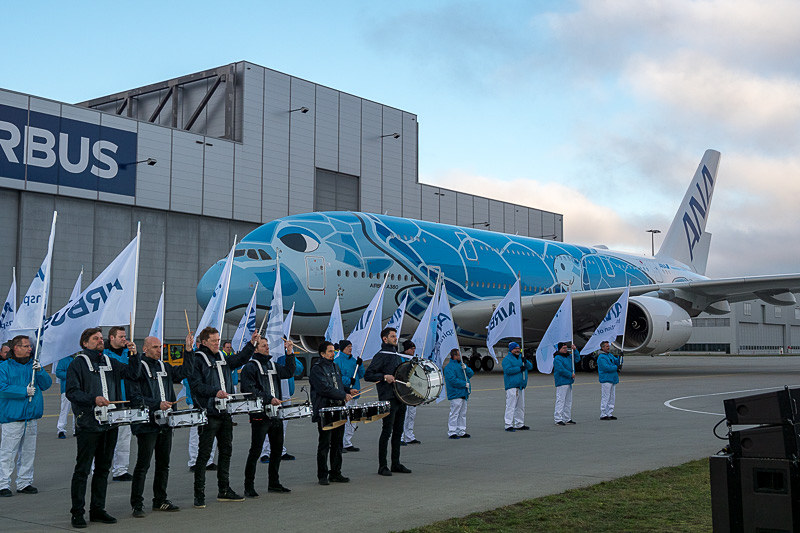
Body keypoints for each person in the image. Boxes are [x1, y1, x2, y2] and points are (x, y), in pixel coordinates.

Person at [67, 327, 141, 528]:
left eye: (101, 338)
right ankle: (77, 512)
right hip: (89, 424)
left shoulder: (109, 361)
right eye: (95, 338)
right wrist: (93, 399)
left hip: (110, 423)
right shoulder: (78, 363)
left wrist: (134, 355)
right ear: (85, 343)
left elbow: (132, 374)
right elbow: (72, 392)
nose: (100, 341)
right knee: (83, 470)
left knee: (103, 469)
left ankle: (98, 509)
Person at [127, 334, 194, 517]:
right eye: (155, 347)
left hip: (166, 422)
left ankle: (160, 499)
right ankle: (137, 504)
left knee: (163, 464)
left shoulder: (164, 366)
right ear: (145, 349)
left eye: (160, 347)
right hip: (147, 423)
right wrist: (156, 404)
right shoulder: (138, 367)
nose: (159, 350)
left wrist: (188, 351)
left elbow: (185, 372)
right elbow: (135, 397)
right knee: (143, 465)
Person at [188, 326, 251, 508]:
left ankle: (224, 489)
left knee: (226, 451)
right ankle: (199, 494)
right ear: (204, 342)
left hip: (225, 412)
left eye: (218, 340)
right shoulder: (197, 359)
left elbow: (239, 359)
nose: (217, 343)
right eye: (214, 341)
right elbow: (196, 386)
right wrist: (215, 392)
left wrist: (251, 345)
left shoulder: (222, 357)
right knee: (204, 454)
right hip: (208, 413)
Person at [240, 332, 295, 496]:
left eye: (267, 345)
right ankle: (249, 486)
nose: (267, 348)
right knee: (256, 450)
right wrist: (269, 399)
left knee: (277, 450)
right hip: (260, 415)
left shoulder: (272, 365)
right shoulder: (250, 367)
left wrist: (290, 353)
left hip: (276, 414)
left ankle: (274, 483)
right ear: (256, 349)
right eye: (264, 346)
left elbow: (289, 372)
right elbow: (248, 389)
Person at [0, 335, 52, 497]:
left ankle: (24, 482)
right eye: (26, 346)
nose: (30, 349)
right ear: (16, 348)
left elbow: (46, 384)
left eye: (30, 346)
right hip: (12, 417)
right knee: (8, 453)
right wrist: (23, 391)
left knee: (28, 452)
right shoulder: (4, 367)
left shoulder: (33, 366)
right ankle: (3, 483)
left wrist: (40, 371)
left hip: (30, 416)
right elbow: (2, 388)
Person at [364, 327, 411, 476]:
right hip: (388, 398)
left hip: (400, 398)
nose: (395, 338)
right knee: (387, 432)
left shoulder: (396, 355)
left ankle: (395, 463)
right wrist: (384, 377)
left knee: (398, 432)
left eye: (395, 336)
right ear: (385, 339)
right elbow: (368, 375)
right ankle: (382, 466)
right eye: (392, 336)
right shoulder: (381, 355)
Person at [309, 341, 356, 485]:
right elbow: (324, 388)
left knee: (337, 443)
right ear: (322, 354)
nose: (332, 354)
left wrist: (348, 390)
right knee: (324, 444)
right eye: (329, 351)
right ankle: (322, 475)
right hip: (325, 409)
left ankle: (336, 472)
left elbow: (337, 384)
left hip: (338, 408)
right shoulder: (317, 369)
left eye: (333, 351)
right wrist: (343, 395)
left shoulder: (335, 366)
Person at [259, 339, 303, 463]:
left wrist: (289, 354)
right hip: (272, 392)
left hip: (286, 392)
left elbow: (298, 369)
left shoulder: (286, 355)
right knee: (269, 422)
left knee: (283, 423)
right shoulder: (269, 356)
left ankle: (280, 450)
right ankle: (265, 452)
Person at [104, 326, 137, 482]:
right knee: (105, 439)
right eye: (121, 336)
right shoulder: (104, 354)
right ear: (112, 337)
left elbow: (136, 373)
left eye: (125, 336)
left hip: (126, 400)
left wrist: (134, 355)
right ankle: (99, 470)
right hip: (109, 400)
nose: (124, 339)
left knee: (124, 438)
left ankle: (121, 470)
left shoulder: (128, 353)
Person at [334, 339, 364, 452]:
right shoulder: (337, 361)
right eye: (348, 347)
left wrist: (360, 365)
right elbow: (337, 377)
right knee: (343, 419)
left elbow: (361, 374)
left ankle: (347, 442)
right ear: (342, 348)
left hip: (354, 394)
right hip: (345, 394)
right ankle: (339, 443)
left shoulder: (354, 361)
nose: (350, 348)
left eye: (351, 346)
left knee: (353, 419)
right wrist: (348, 380)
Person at [184, 378, 217, 472]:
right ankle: (194, 461)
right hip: (196, 401)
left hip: (211, 400)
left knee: (213, 430)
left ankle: (209, 460)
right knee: (195, 433)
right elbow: (187, 382)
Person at [501, 341, 533, 432]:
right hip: (512, 385)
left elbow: (530, 367)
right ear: (511, 350)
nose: (517, 350)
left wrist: (525, 361)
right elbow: (507, 370)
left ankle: (519, 423)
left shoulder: (521, 358)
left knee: (520, 406)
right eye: (515, 349)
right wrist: (519, 369)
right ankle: (508, 424)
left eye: (518, 348)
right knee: (511, 406)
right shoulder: (507, 359)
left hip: (521, 386)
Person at [443, 348, 473, 439]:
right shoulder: (449, 367)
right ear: (454, 356)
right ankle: (452, 431)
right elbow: (452, 380)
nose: (461, 356)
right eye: (459, 355)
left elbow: (470, 374)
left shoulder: (462, 365)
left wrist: (466, 368)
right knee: (454, 413)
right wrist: (464, 384)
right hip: (456, 393)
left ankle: (461, 431)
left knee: (462, 413)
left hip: (464, 393)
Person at [399, 340, 421, 445]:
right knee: (403, 415)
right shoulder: (400, 359)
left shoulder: (413, 359)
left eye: (414, 349)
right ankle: (400, 437)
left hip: (413, 390)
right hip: (403, 390)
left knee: (411, 414)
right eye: (412, 348)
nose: (413, 350)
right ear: (407, 349)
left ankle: (409, 435)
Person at [553, 342, 580, 426]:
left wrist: (575, 350)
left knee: (568, 401)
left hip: (568, 381)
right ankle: (558, 418)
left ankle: (567, 418)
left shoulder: (568, 356)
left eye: (566, 348)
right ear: (559, 349)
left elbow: (577, 359)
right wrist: (570, 374)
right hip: (562, 381)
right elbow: (560, 369)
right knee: (560, 400)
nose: (565, 349)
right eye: (563, 348)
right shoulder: (557, 358)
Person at [55, 351, 79, 438]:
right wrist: (71, 375)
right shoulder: (63, 360)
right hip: (66, 388)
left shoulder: (79, 359)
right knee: (65, 409)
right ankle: (61, 429)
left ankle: (76, 428)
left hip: (78, 388)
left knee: (77, 410)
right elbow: (58, 372)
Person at [598, 341, 621, 420]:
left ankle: (609, 413)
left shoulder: (609, 355)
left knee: (612, 397)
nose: (608, 347)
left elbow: (617, 362)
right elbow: (606, 367)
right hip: (606, 379)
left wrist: (620, 357)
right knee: (606, 396)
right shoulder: (601, 357)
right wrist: (616, 367)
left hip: (612, 378)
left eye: (608, 346)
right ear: (602, 347)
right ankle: (603, 413)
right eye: (607, 346)